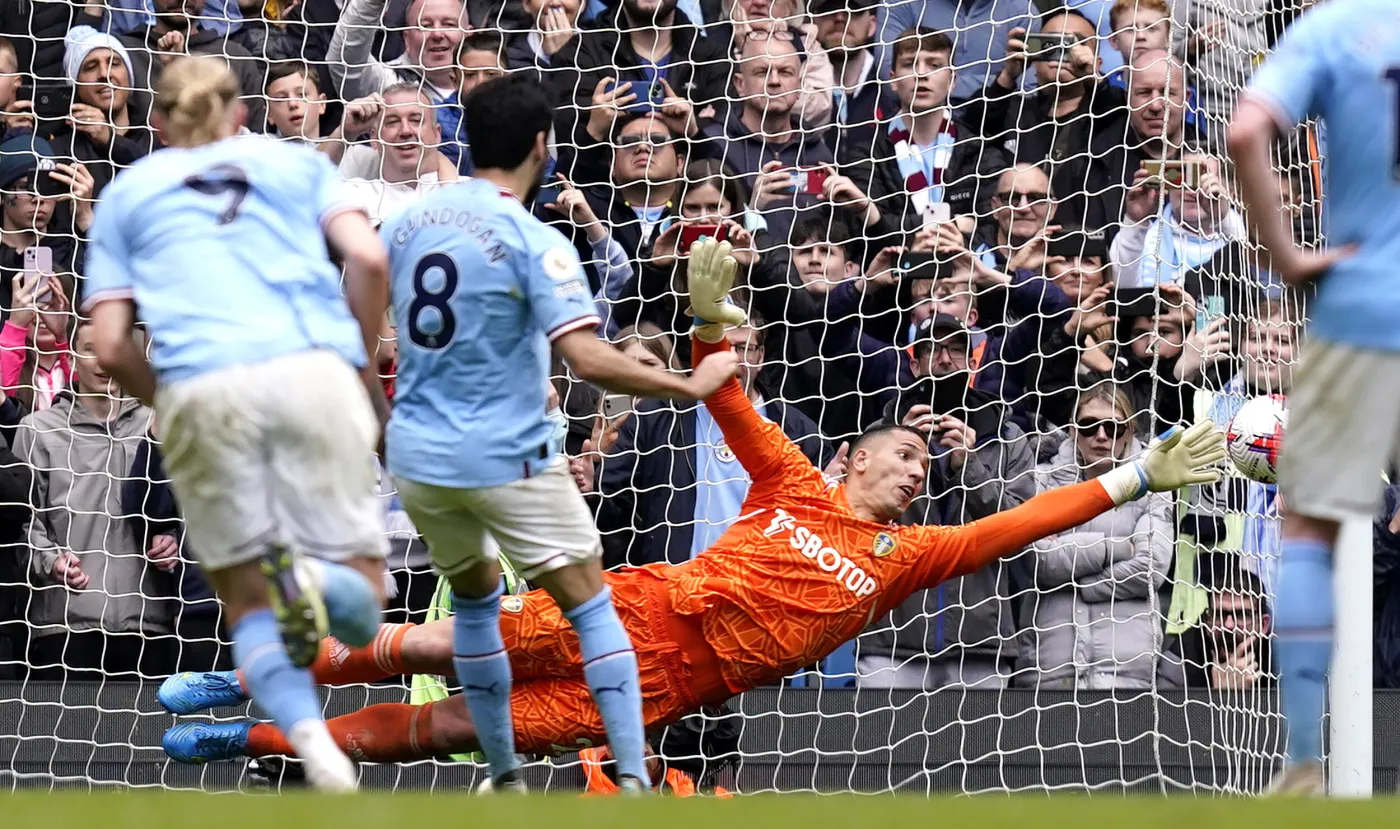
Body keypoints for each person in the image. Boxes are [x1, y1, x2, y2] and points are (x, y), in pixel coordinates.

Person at [156, 237, 1227, 770]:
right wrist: (712, 322)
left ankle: (249, 736)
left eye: (923, 469)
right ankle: (236, 675)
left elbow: (1020, 523)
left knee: (450, 728)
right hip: (632, 610)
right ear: (851, 455)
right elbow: (730, 401)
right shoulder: (793, 480)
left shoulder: (908, 554)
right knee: (435, 646)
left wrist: (1136, 476)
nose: (915, 473)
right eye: (902, 456)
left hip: (669, 685)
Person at [371, 73, 738, 794]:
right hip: (503, 450)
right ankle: (631, 774)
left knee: (475, 606)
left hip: (419, 457)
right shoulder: (534, 241)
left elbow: (359, 337)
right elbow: (588, 358)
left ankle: (504, 772)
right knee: (593, 609)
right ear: (542, 145)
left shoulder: (403, 226)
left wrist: (382, 430)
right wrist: (688, 384)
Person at [82, 56, 392, 793]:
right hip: (312, 370)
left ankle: (312, 745)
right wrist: (355, 361)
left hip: (204, 389)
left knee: (247, 603)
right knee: (362, 606)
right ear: (242, 114)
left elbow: (110, 344)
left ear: (157, 122)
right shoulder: (296, 165)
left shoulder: (127, 193)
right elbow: (371, 257)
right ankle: (315, 578)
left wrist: (167, 402)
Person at [1225, 0, 1396, 795]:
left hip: (1362, 295)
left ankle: (1301, 760)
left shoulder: (1331, 28)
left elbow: (1243, 134)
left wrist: (1287, 257)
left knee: (1306, 527)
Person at [1014, 385, 1173, 689]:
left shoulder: (1155, 484)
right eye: (1089, 426)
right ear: (1073, 430)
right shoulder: (1041, 480)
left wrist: (1075, 580)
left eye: (1113, 427)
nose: (1101, 436)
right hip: (1049, 665)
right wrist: (1116, 548)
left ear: (1129, 431)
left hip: (1126, 669)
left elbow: (1151, 569)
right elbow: (1038, 562)